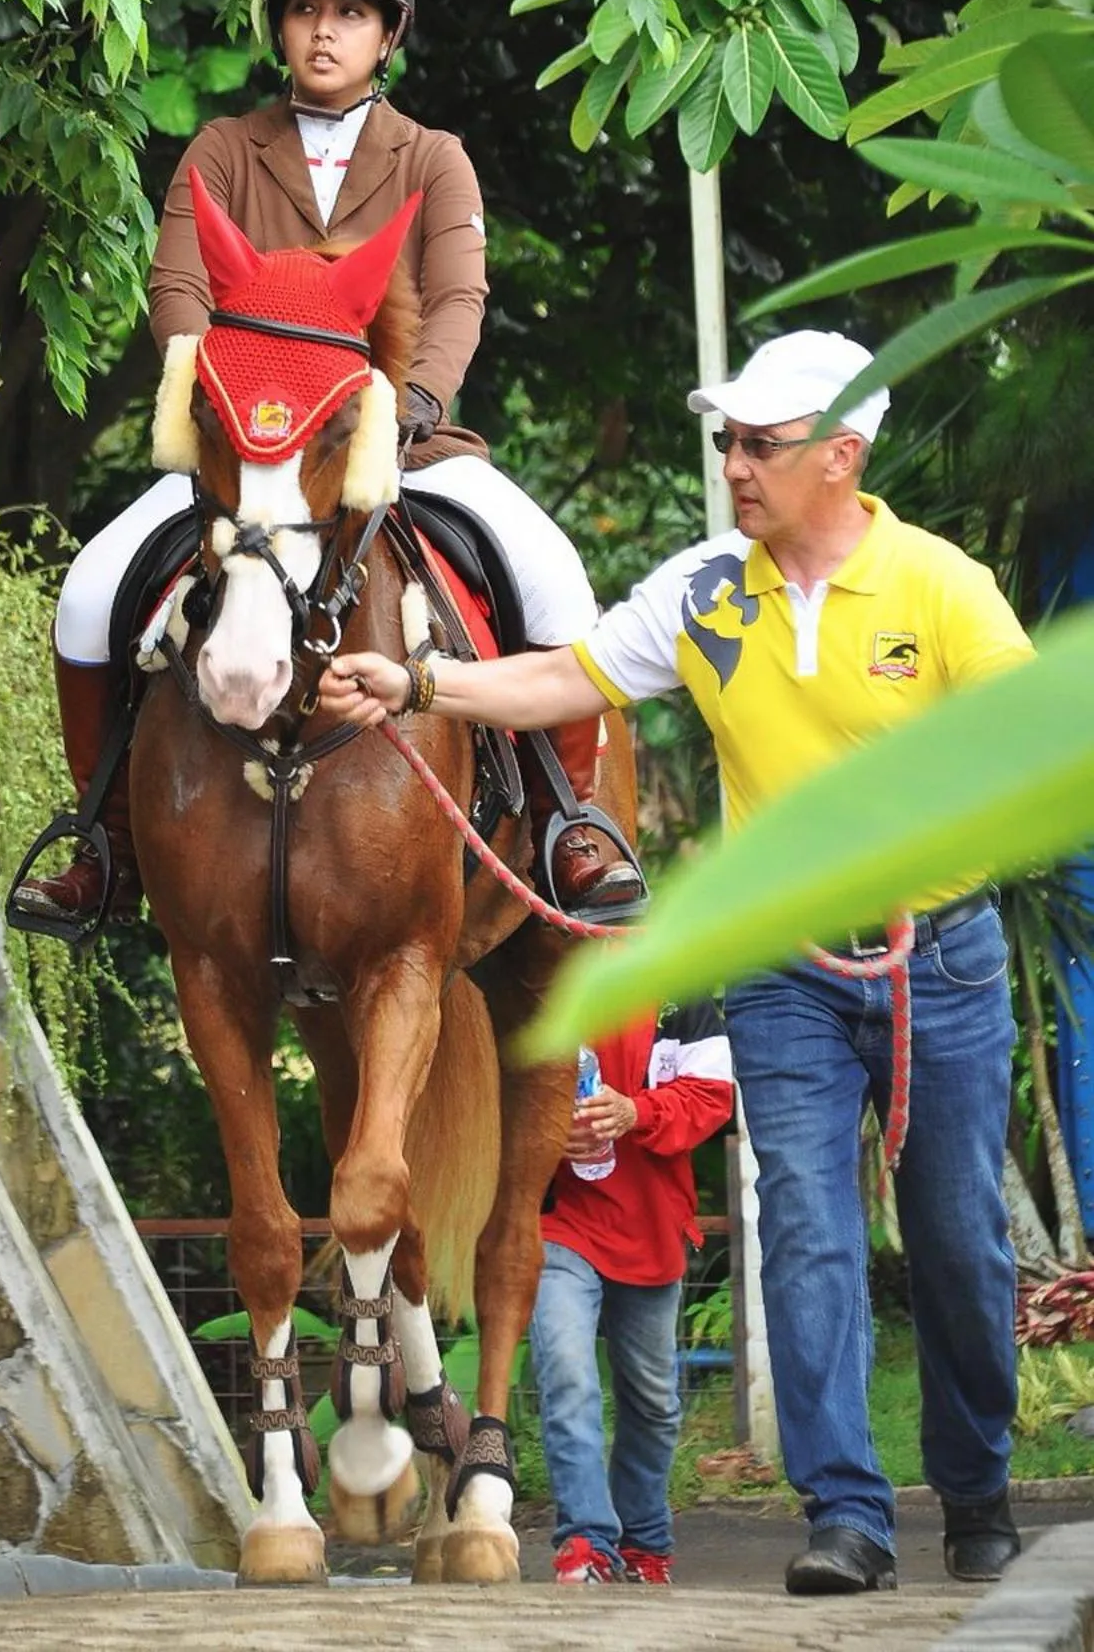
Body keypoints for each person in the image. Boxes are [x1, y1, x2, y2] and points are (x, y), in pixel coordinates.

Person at [319, 328, 1034, 1595]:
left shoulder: (939, 586)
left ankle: (974, 1485)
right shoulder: (708, 591)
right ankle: (845, 1512)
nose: (733, 464)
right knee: (803, 1228)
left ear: (840, 454)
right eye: (726, 442)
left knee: (957, 1244)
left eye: (760, 443)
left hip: (937, 965)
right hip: (782, 966)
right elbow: (564, 677)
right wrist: (416, 682)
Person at [16, 0, 641, 927]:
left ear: (387, 36)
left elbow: (458, 298)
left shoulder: (434, 158)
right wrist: (220, 396)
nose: (323, 30)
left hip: (401, 448)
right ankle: (105, 842)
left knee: (555, 581)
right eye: (305, 8)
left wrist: (411, 403)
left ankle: (569, 820)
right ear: (279, 26)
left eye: (350, 13)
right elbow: (177, 287)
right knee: (89, 593)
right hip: (247, 456)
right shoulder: (224, 150)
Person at [533, 1008, 733, 1586]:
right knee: (567, 1375)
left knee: (653, 1401)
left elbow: (714, 1096)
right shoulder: (535, 984)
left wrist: (635, 1111)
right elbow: (488, 1096)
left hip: (653, 1226)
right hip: (558, 1223)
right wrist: (544, 1129)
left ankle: (644, 1542)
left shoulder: (681, 991)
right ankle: (587, 1541)